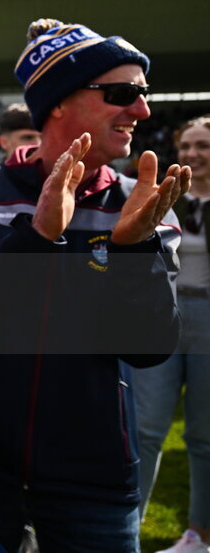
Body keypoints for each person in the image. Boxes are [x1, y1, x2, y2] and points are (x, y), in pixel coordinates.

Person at [0, 18, 190, 552]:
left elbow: (148, 348)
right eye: (123, 93)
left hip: (95, 478)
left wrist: (131, 250)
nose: (141, 110)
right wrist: (38, 235)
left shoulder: (141, 200)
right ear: (56, 102)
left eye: (144, 95)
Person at [134, 114, 210, 553]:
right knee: (146, 428)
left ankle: (199, 534)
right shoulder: (163, 195)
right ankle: (129, 525)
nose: (192, 155)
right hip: (166, 314)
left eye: (203, 146)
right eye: (186, 146)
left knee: (202, 434)